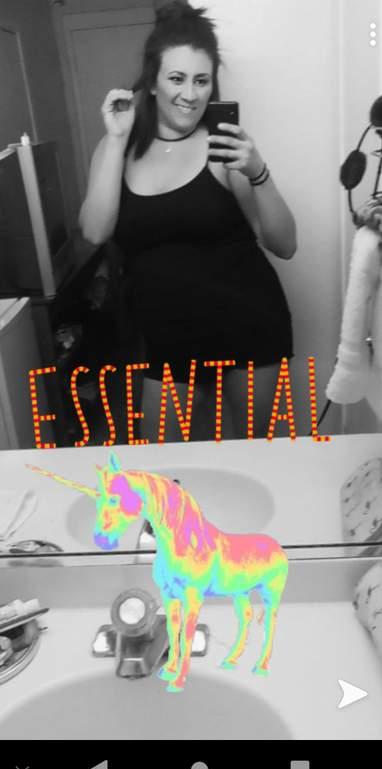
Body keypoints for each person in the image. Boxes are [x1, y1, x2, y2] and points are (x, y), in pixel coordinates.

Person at [79, 1, 297, 442]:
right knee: (165, 465)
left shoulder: (223, 146)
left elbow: (284, 244)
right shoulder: (116, 148)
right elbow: (95, 231)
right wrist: (117, 139)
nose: (191, 94)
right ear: (152, 83)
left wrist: (258, 171)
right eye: (177, 78)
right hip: (166, 337)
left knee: (256, 456)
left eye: (202, 80)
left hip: (249, 324)